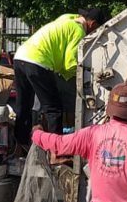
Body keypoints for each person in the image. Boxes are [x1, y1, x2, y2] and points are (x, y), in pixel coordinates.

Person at [14, 8, 106, 146]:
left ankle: (19, 146)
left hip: (20, 56)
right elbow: (70, 63)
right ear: (93, 24)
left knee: (23, 105)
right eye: (96, 29)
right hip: (39, 61)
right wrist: (85, 77)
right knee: (53, 108)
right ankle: (56, 151)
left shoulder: (67, 20)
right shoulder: (79, 31)